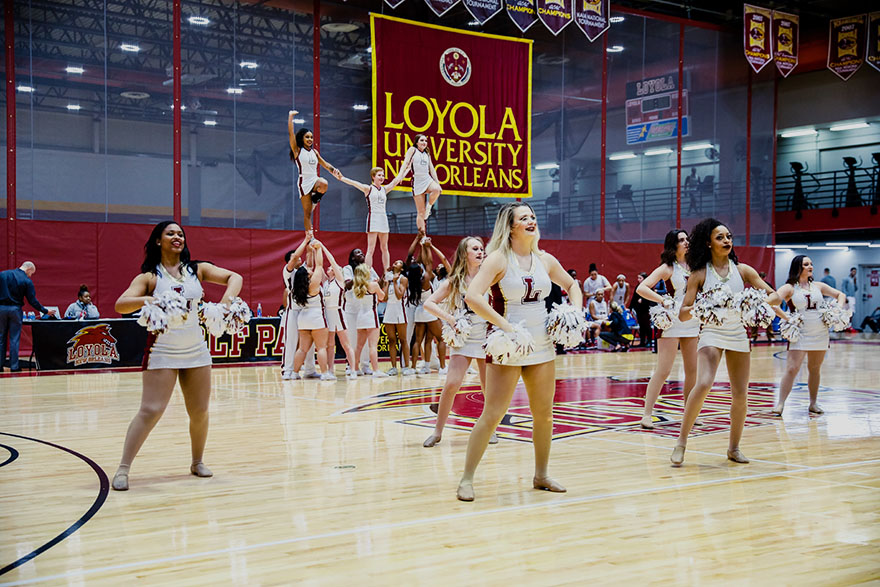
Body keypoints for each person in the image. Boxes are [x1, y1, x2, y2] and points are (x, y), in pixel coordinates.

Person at [457, 203, 582, 502]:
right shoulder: (499, 258)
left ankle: (541, 474)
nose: (531, 221)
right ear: (510, 226)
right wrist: (505, 326)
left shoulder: (545, 259)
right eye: (524, 218)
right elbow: (473, 296)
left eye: (533, 216)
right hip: (507, 345)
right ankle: (466, 478)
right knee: (493, 414)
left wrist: (573, 313)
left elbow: (572, 284)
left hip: (542, 344)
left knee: (544, 415)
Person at [111, 221, 243, 490]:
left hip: (196, 348)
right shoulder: (149, 277)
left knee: (200, 411)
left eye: (180, 233)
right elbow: (121, 304)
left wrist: (226, 302)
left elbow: (235, 277)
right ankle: (123, 468)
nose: (177, 237)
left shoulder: (197, 269)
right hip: (162, 349)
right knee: (151, 410)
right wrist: (150, 300)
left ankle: (197, 462)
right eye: (170, 233)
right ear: (158, 241)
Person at [670, 218, 781, 467]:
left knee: (741, 393)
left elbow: (773, 295)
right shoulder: (699, 274)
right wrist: (702, 306)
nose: (727, 240)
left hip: (738, 333)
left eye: (729, 236)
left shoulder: (744, 271)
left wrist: (756, 303)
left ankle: (734, 448)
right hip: (711, 332)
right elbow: (684, 312)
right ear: (708, 243)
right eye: (720, 237)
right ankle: (681, 443)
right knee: (705, 382)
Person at [423, 236, 497, 447]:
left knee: (488, 387)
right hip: (463, 337)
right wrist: (451, 319)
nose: (480, 251)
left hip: (485, 336)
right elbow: (429, 303)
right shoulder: (454, 280)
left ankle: (490, 429)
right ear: (465, 253)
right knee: (452, 383)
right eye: (475, 248)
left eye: (482, 248)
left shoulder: (491, 278)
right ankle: (437, 432)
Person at [636, 229, 700, 429]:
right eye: (681, 240)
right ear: (673, 245)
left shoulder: (696, 266)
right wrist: (662, 300)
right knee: (663, 370)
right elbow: (642, 288)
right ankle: (647, 414)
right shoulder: (668, 268)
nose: (686, 242)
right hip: (672, 321)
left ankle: (689, 413)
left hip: (693, 320)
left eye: (687, 238)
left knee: (692, 371)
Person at [772, 256, 846, 416]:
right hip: (800, 333)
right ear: (798, 267)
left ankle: (813, 403)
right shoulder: (789, 288)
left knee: (815, 369)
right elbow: (773, 303)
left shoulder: (818, 286)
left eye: (811, 264)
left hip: (820, 332)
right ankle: (780, 404)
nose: (810, 266)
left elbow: (841, 295)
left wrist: (837, 310)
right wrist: (787, 318)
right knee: (792, 368)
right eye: (806, 264)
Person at [337, 167, 408, 275]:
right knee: (371, 249)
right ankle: (368, 273)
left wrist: (407, 169)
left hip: (383, 218)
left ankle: (387, 272)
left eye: (383, 175)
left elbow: (396, 180)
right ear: (373, 177)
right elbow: (354, 183)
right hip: (373, 217)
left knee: (385, 247)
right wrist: (342, 178)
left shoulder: (385, 189)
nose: (382, 177)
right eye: (379, 175)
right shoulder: (368, 188)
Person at [288, 110, 342, 232]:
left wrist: (334, 170)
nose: (310, 139)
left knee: (324, 183)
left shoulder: (315, 152)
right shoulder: (297, 150)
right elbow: (291, 133)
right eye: (307, 137)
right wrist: (290, 117)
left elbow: (325, 164)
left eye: (311, 137)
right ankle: (310, 237)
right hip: (303, 182)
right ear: (301, 138)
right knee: (307, 215)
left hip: (314, 179)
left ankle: (315, 198)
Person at [289, 240, 335, 381]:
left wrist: (311, 251)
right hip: (316, 317)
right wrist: (318, 248)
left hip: (303, 318)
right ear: (306, 275)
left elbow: (314, 266)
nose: (310, 269)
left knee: (302, 349)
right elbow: (319, 265)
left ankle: (294, 373)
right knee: (321, 347)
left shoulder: (297, 288)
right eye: (308, 270)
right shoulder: (313, 284)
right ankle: (325, 373)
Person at [0, 261, 55, 372]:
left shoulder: (2, 275)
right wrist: (44, 311)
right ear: (29, 269)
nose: (30, 276)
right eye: (31, 273)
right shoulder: (26, 280)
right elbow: (32, 301)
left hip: (1, 309)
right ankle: (14, 367)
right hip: (15, 310)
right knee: (14, 339)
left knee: (1, 338)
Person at [317, 246, 358, 379]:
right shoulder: (326, 283)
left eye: (331, 268)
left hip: (339, 313)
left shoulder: (339, 281)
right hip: (328, 315)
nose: (329, 268)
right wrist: (315, 250)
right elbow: (319, 265)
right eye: (328, 268)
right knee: (329, 345)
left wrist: (323, 247)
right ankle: (330, 370)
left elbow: (332, 261)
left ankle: (353, 370)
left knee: (346, 344)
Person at [281, 235, 317, 380]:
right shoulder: (288, 272)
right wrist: (304, 240)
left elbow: (309, 256)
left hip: (306, 311)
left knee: (309, 342)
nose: (298, 259)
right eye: (295, 258)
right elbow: (296, 255)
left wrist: (311, 243)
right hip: (293, 311)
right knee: (291, 341)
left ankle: (310, 370)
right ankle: (287, 370)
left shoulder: (304, 271)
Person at [350, 264, 388, 378]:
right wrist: (383, 285)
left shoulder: (355, 287)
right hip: (371, 317)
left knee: (359, 346)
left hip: (360, 317)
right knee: (372, 346)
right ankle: (376, 370)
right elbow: (382, 297)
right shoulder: (374, 285)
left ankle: (355, 369)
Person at [400, 134, 442, 233]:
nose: (424, 142)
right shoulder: (412, 150)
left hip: (427, 179)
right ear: (417, 142)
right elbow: (406, 163)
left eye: (426, 141)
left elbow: (431, 168)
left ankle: (429, 206)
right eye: (422, 140)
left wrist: (437, 182)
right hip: (417, 181)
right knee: (420, 213)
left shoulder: (427, 153)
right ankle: (422, 235)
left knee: (437, 190)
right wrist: (400, 175)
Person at [382, 258, 414, 376]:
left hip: (400, 311)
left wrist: (395, 282)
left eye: (399, 262)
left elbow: (399, 295)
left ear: (402, 268)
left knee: (403, 340)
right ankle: (393, 367)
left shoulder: (403, 279)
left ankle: (406, 366)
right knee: (391, 340)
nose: (396, 262)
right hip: (389, 311)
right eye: (395, 261)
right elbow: (384, 298)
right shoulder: (389, 279)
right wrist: (387, 283)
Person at [629, 272, 655, 348]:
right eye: (638, 278)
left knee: (647, 326)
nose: (638, 279)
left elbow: (651, 298)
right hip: (639, 310)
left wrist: (643, 300)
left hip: (646, 310)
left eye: (640, 278)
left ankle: (650, 341)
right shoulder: (638, 286)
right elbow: (634, 298)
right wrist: (630, 307)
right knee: (642, 327)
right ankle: (642, 341)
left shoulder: (648, 287)